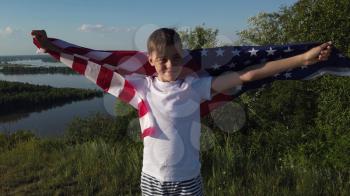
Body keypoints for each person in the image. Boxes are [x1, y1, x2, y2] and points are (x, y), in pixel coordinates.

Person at [32, 28, 332, 196]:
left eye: (176, 58)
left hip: (188, 179)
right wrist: (52, 47)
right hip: (150, 178)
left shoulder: (196, 85)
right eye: (162, 59)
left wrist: (301, 59)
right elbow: (93, 67)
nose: (170, 64)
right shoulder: (140, 87)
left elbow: (248, 75)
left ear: (183, 56)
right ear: (150, 59)